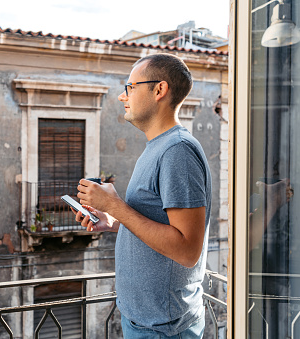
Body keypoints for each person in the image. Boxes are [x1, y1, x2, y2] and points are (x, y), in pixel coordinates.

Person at [73, 53, 211, 338]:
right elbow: (156, 223)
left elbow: (187, 251)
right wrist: (111, 221)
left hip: (163, 329)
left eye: (130, 87)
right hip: (144, 322)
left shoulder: (178, 151)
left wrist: (114, 204)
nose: (123, 97)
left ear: (159, 90)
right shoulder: (158, 148)